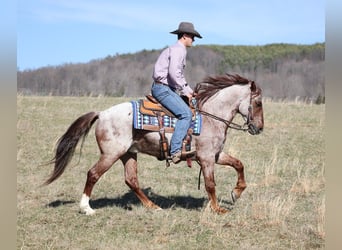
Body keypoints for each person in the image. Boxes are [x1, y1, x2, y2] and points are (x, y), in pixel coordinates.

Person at [151, 22, 202, 164]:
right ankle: (175, 151)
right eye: (192, 36)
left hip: (167, 88)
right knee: (186, 114)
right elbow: (174, 73)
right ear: (185, 36)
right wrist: (186, 89)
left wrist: (189, 91)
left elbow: (176, 76)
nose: (194, 40)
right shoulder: (179, 50)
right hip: (163, 88)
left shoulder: (176, 49)